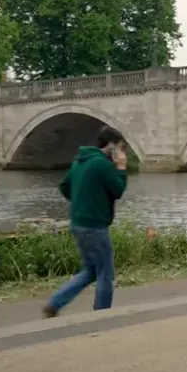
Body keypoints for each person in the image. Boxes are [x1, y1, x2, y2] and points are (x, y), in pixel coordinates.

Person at [42, 127, 130, 317]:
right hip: (95, 226)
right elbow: (118, 190)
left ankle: (55, 303)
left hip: (78, 223)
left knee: (91, 270)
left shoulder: (79, 162)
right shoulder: (102, 165)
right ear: (111, 146)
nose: (121, 153)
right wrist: (121, 168)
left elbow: (65, 186)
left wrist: (82, 202)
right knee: (106, 272)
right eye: (120, 148)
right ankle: (101, 314)